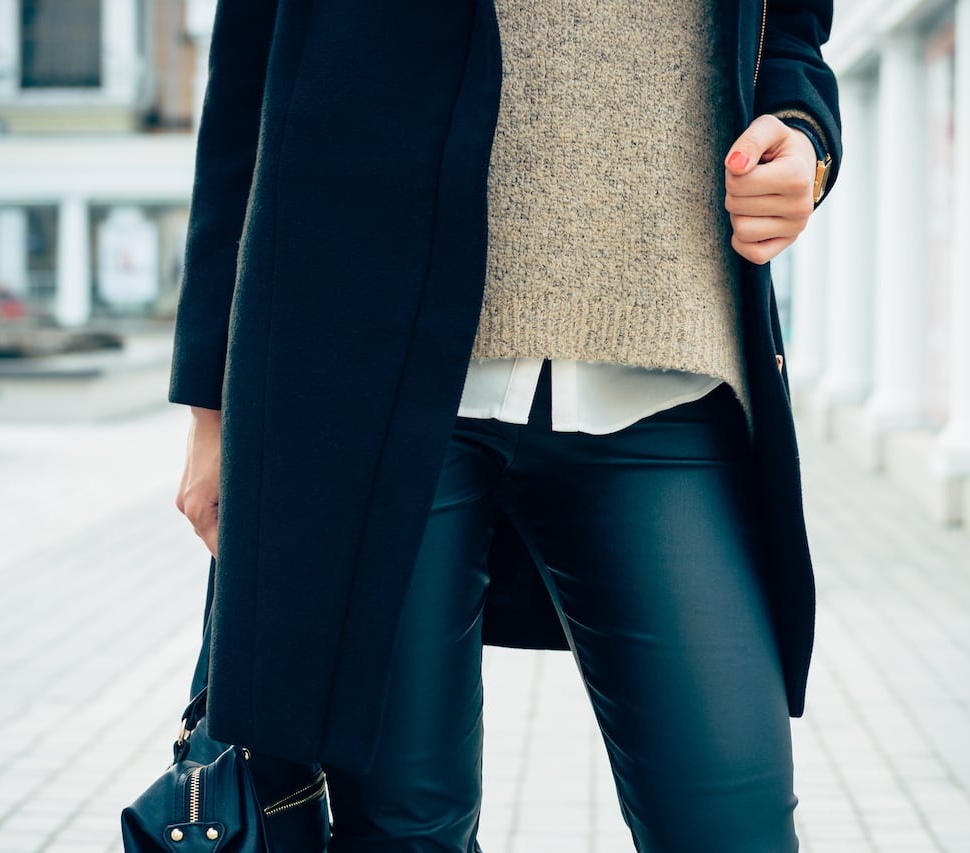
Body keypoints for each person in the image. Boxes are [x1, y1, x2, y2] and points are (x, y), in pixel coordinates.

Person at [170, 0, 841, 850]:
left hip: (665, 365)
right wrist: (211, 408)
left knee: (732, 826)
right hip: (367, 375)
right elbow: (247, 87)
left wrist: (803, 137)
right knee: (402, 833)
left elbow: (789, 36)